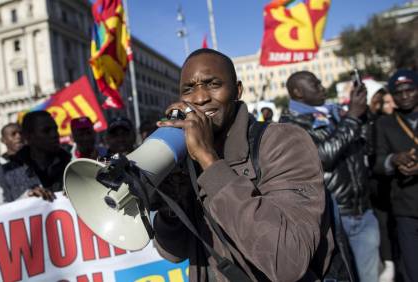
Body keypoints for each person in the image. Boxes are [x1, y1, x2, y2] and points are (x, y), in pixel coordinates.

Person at [154, 49, 333, 281]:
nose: (199, 98)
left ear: (237, 91)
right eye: (188, 89)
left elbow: (287, 260)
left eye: (212, 84)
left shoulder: (282, 141)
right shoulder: (187, 157)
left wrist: (210, 161)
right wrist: (172, 207)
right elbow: (174, 253)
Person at [280, 71, 379, 282]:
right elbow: (320, 158)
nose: (322, 87)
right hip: (333, 218)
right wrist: (352, 117)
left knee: (370, 276)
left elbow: (366, 148)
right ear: (297, 92)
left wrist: (363, 116)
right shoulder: (289, 124)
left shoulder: (335, 112)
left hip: (361, 210)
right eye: (315, 84)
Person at [374, 69, 418, 282]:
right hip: (406, 209)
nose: (405, 95)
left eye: (410, 90)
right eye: (398, 92)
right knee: (412, 269)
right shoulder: (384, 123)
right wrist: (393, 159)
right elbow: (377, 163)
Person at [0, 111, 71, 205]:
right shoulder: (6, 172)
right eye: (46, 131)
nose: (55, 134)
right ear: (29, 136)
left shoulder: (72, 166)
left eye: (55, 129)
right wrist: (27, 199)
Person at [0, 123, 24, 208]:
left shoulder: (32, 164)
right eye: (13, 134)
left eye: (21, 133)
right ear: (3, 140)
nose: (18, 136)